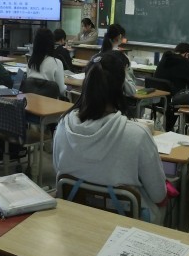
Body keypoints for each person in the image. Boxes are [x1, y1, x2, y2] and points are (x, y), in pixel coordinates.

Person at [53, 51, 167, 223]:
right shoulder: (137, 135)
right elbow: (159, 195)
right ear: (121, 87)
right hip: (126, 226)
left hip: (75, 218)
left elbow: (58, 170)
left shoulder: (63, 125)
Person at [27, 28, 66, 97]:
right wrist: (66, 87)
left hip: (31, 101)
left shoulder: (31, 62)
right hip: (51, 102)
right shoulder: (57, 63)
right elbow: (61, 91)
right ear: (51, 43)